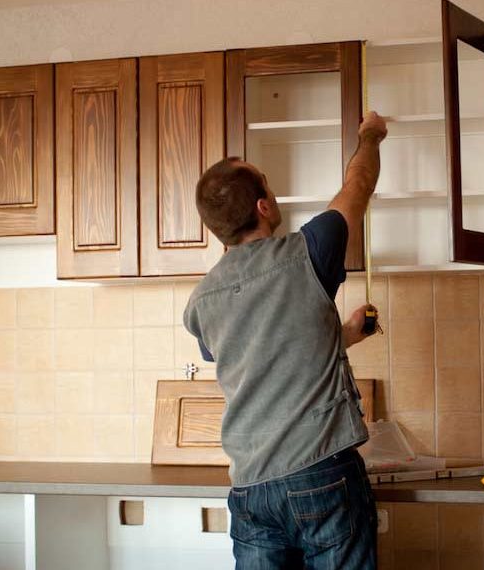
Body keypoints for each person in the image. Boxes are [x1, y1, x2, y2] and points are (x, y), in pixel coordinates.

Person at [184, 111, 388, 569]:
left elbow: (262, 353)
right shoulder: (309, 251)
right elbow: (357, 187)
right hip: (322, 474)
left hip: (252, 489)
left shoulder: (200, 303)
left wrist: (345, 337)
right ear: (263, 207)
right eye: (267, 186)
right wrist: (370, 136)